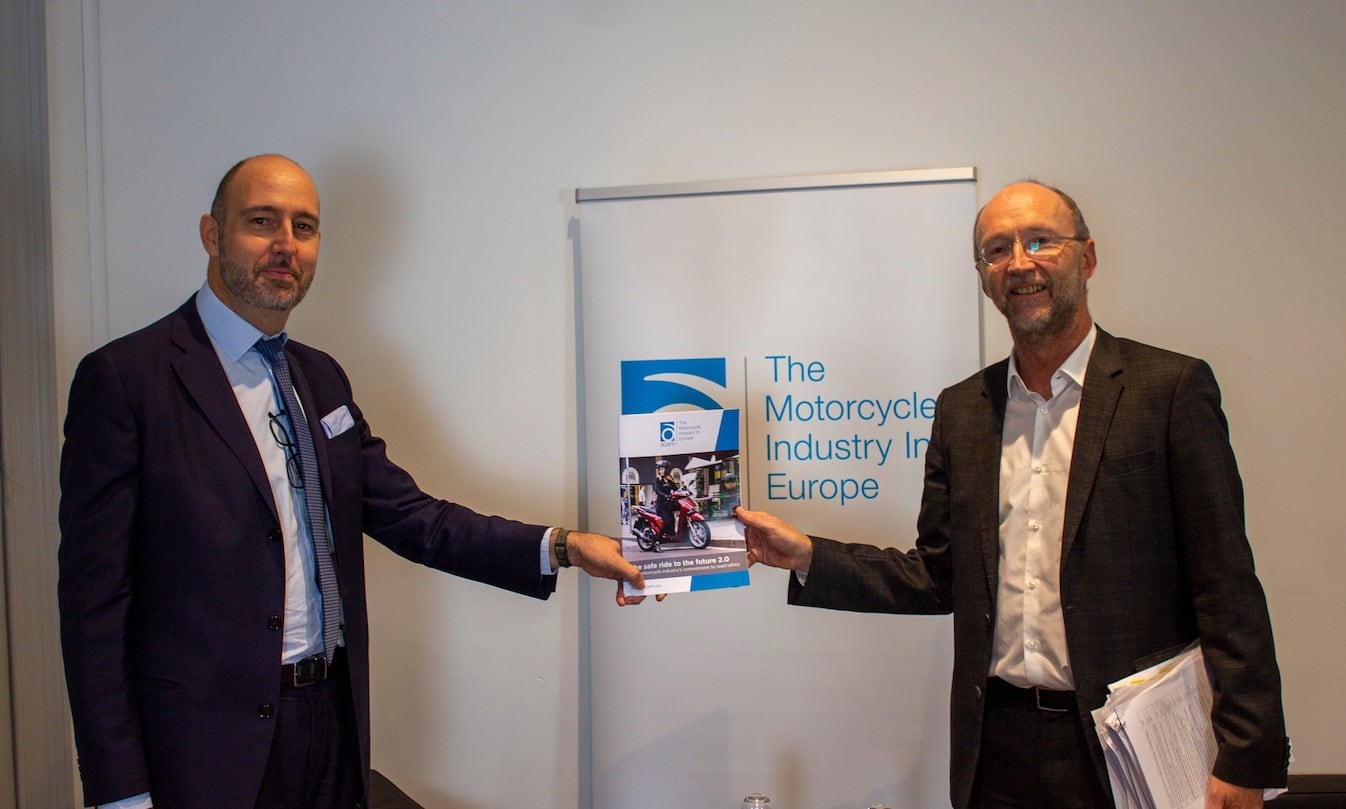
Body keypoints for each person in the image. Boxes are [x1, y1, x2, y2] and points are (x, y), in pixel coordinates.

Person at [57, 154, 648, 809]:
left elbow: (413, 516)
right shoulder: (126, 380)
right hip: (202, 749)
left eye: (304, 227)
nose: (286, 244)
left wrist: (565, 546)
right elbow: (93, 607)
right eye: (262, 221)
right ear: (212, 234)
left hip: (330, 723)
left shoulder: (320, 378)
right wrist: (120, 791)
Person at [735, 181, 1288, 809]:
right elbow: (937, 577)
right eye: (997, 250)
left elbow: (1226, 585)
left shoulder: (1169, 389)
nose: (1019, 263)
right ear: (983, 277)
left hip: (1125, 747)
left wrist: (1245, 758)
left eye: (1040, 241)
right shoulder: (963, 410)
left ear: (1088, 257)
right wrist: (809, 555)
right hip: (995, 750)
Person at [653, 459, 677, 551]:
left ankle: (669, 536)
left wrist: (685, 490)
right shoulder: (658, 480)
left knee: (672, 521)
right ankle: (657, 543)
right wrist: (664, 495)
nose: (660, 471)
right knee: (667, 522)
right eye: (659, 469)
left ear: (666, 470)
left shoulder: (670, 480)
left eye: (662, 469)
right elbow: (657, 490)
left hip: (668, 505)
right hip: (661, 506)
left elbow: (676, 489)